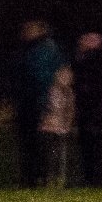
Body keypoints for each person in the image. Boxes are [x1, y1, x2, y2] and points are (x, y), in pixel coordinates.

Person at [71, 30, 102, 187]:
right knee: (88, 143)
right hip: (87, 105)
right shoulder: (81, 58)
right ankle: (90, 177)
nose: (82, 41)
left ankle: (95, 178)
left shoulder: (97, 59)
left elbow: (101, 82)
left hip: (94, 106)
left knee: (94, 143)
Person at [36, 52, 76, 187]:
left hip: (62, 129)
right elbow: (46, 107)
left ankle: (60, 178)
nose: (65, 78)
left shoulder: (69, 93)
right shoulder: (51, 91)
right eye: (62, 75)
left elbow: (70, 110)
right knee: (49, 156)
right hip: (49, 128)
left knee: (61, 156)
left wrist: (68, 124)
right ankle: (47, 178)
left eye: (68, 76)